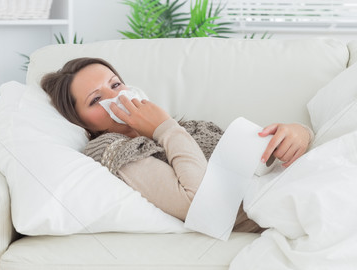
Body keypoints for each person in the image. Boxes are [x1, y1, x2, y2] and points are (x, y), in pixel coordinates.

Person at [41, 57, 313, 231]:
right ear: (83, 124)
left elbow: (260, 152)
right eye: (95, 100)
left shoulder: (188, 127)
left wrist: (299, 134)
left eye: (115, 84)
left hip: (301, 177)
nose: (117, 97)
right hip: (289, 206)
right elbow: (200, 202)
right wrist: (164, 127)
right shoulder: (112, 149)